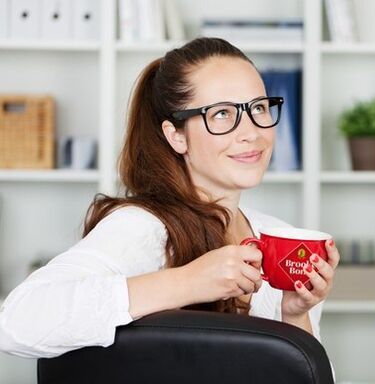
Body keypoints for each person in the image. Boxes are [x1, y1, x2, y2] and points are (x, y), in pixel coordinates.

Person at [0, 37, 339, 361]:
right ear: (176, 136)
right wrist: (188, 281)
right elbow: (17, 322)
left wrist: (295, 317)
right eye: (222, 114)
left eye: (259, 108)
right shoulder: (144, 228)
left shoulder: (276, 234)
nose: (251, 132)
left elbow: (304, 374)